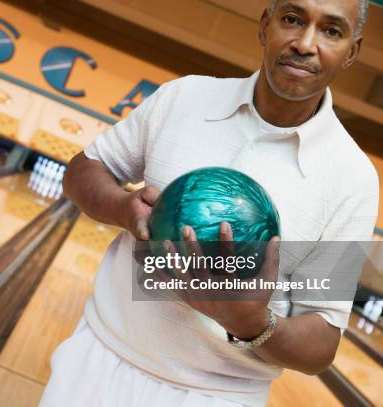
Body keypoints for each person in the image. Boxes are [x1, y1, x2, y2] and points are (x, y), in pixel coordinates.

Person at [38, 0, 379, 406]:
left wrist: (254, 324)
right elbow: (84, 171)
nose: (305, 43)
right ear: (265, 25)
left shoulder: (352, 179)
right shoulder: (185, 96)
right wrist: (123, 208)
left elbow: (322, 342)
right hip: (99, 360)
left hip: (218, 397)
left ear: (351, 52)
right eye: (292, 19)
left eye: (331, 31)